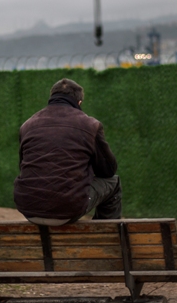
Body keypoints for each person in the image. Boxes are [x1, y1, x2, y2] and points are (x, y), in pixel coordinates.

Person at [13, 78, 121, 225]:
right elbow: (107, 171)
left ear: (51, 98)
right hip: (68, 210)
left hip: (29, 208)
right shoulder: (90, 125)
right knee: (113, 182)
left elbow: (23, 167)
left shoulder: (28, 125)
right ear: (79, 103)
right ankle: (105, 238)